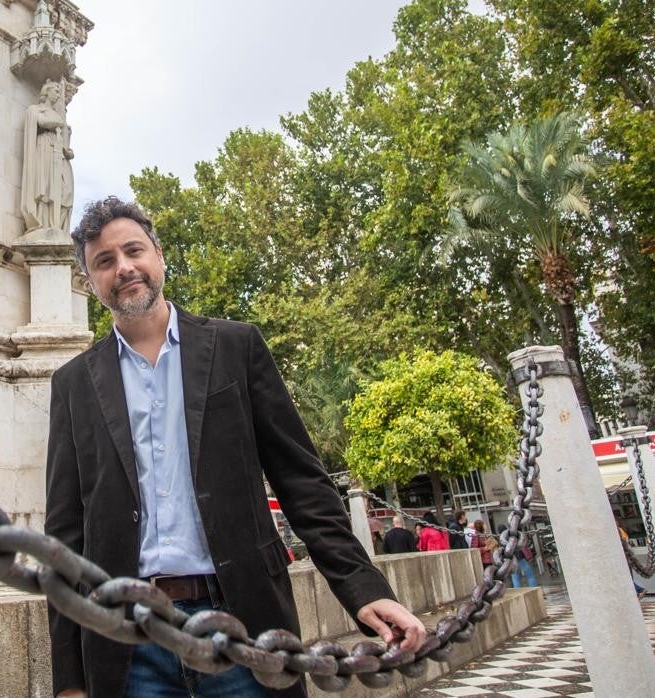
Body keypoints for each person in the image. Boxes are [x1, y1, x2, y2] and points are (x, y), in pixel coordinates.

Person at [44, 197, 426, 698]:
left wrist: (365, 589)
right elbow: (64, 535)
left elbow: (301, 481)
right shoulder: (72, 384)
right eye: (104, 262)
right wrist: (69, 678)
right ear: (91, 282)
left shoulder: (236, 347)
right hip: (128, 644)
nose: (124, 268)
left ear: (159, 254)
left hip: (244, 624)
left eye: (133, 250)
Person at [21, 80, 75, 233]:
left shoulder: (58, 115)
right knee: (45, 187)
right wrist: (59, 121)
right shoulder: (36, 109)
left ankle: (57, 226)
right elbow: (43, 122)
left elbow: (64, 138)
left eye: (60, 92)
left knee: (66, 192)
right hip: (43, 149)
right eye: (56, 91)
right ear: (46, 92)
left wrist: (68, 151)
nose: (59, 95)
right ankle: (43, 224)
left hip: (58, 153)